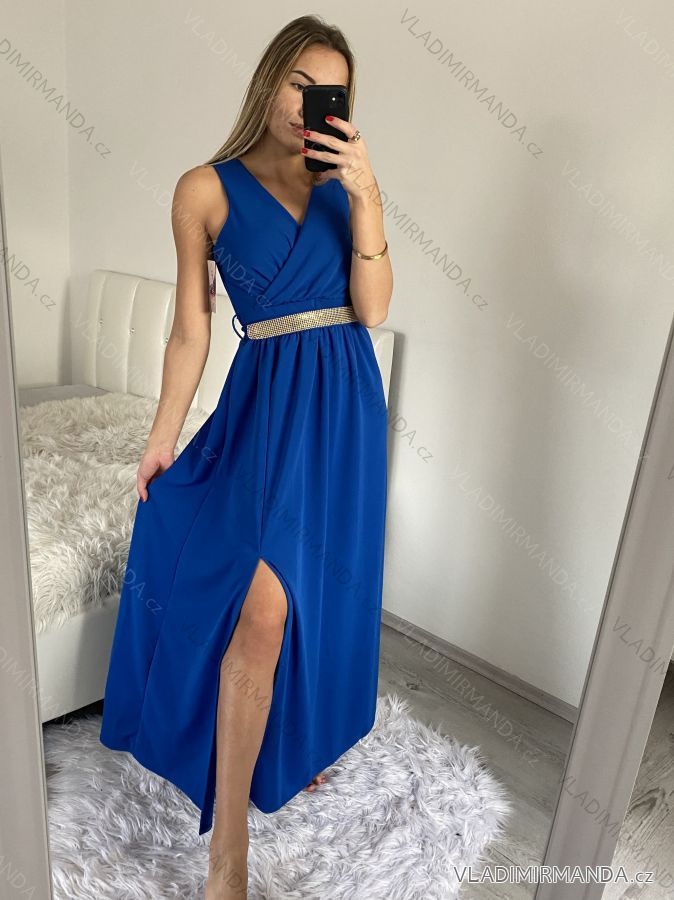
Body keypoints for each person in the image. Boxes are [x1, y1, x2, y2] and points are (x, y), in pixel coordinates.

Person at [99, 13, 392, 899]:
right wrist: (161, 438)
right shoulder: (205, 189)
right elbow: (191, 329)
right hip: (268, 408)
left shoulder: (343, 186)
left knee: (318, 596)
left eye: (329, 90)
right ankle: (228, 853)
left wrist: (369, 195)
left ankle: (296, 747)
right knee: (261, 611)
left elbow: (374, 309)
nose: (310, 103)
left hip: (345, 411)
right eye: (299, 82)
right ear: (269, 80)